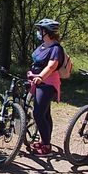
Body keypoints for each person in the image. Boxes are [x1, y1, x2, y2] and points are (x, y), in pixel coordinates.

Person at [27, 18, 66, 156]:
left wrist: (40, 77)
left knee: (38, 113)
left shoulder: (56, 48)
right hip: (37, 81)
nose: (38, 32)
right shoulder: (43, 45)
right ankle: (44, 140)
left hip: (48, 84)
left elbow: (52, 66)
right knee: (45, 113)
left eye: (40, 30)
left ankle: (46, 146)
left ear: (46, 32)